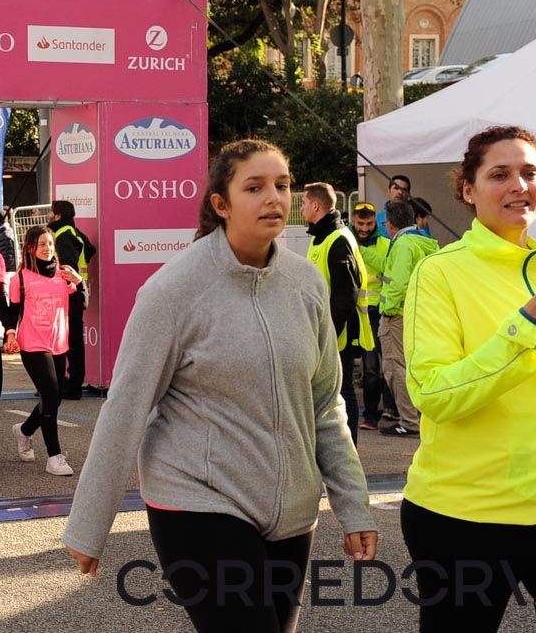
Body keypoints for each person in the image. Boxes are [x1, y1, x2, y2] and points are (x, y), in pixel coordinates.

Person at [62, 140, 377, 632]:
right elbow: (126, 406)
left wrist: (353, 505)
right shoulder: (173, 290)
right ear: (221, 204)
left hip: (291, 513)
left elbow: (324, 405)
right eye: (254, 187)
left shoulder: (306, 284)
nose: (273, 197)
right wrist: (89, 525)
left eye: (282, 185)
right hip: (198, 502)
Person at [401, 125, 536, 631]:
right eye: (500, 174)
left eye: (530, 172)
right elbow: (433, 392)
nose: (519, 185)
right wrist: (525, 330)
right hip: (464, 518)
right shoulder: (440, 273)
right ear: (468, 191)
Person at [6, 224, 85, 477]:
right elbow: (11, 312)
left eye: (50, 244)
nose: (47, 248)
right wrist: (9, 333)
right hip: (32, 344)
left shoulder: (63, 276)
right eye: (42, 244)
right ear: (31, 248)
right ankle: (54, 456)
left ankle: (25, 430)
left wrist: (80, 282)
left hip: (59, 343)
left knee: (55, 396)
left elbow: (82, 304)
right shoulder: (20, 279)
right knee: (50, 394)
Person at [302, 182, 372, 443]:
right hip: (326, 331)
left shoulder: (337, 239)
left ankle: (349, 448)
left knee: (344, 392)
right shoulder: (321, 236)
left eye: (304, 203)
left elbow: (346, 294)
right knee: (334, 393)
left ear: (316, 206)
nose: (301, 207)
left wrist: (328, 331)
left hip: (338, 333)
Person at [377, 199, 439, 437]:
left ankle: (409, 421)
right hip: (417, 314)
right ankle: (420, 417)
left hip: (397, 315)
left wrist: (388, 309)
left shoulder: (403, 245)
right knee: (414, 366)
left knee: (395, 368)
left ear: (390, 224)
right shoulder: (422, 241)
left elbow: (398, 281)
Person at [349, 203, 396, 431]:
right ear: (353, 221)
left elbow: (389, 274)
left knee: (374, 366)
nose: (364, 228)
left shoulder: (386, 245)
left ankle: (373, 414)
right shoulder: (345, 242)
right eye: (360, 223)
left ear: (375, 223)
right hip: (352, 310)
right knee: (350, 365)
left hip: (376, 311)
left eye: (369, 224)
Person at [47, 200, 96, 400]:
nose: (49, 216)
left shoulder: (64, 235)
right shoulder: (73, 231)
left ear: (57, 215)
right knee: (71, 339)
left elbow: (67, 265)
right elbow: (90, 249)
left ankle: (72, 385)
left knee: (71, 341)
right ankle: (70, 382)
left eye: (51, 213)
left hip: (69, 294)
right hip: (76, 293)